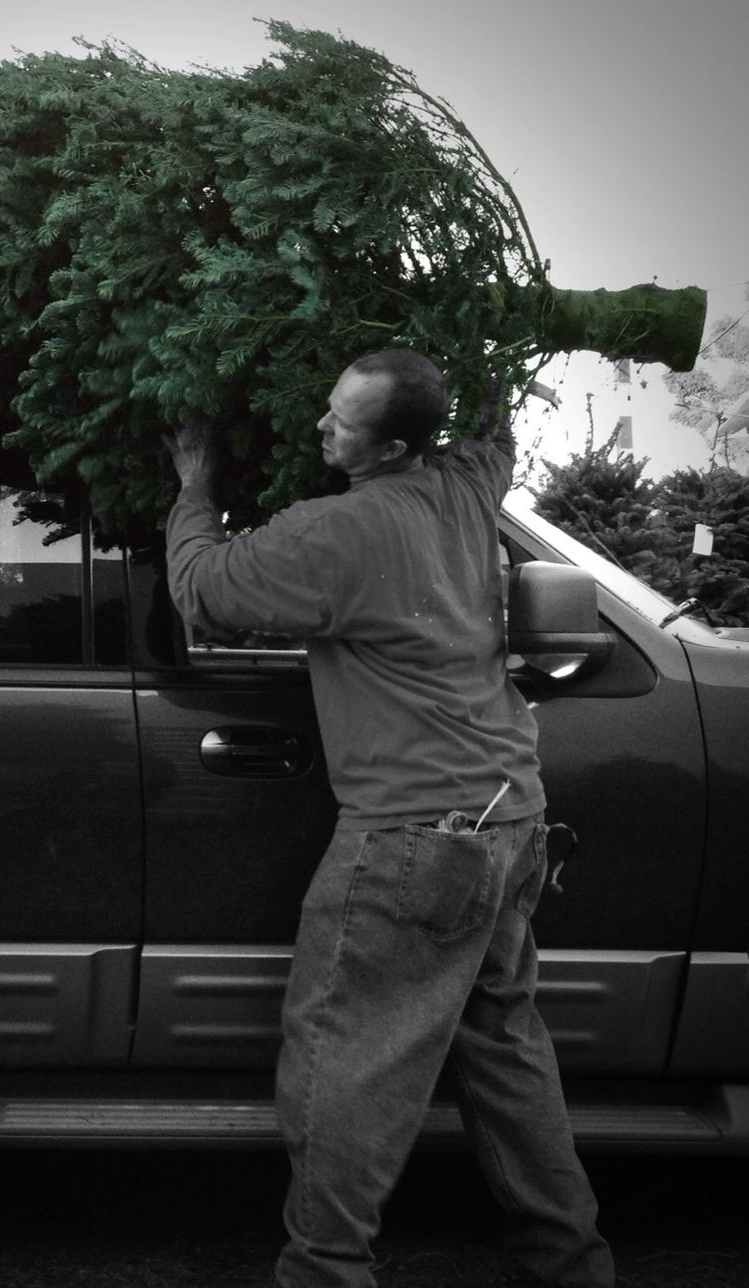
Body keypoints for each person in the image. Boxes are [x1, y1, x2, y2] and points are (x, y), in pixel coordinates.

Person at [163, 350, 614, 1288]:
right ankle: (571, 1264)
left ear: (396, 443)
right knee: (506, 1059)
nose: (321, 427)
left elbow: (203, 586)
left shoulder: (341, 532)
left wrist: (195, 482)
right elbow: (496, 433)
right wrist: (493, 352)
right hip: (511, 825)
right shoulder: (464, 484)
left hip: (413, 840)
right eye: (327, 405)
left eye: (342, 420)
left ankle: (325, 1271)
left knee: (344, 1072)